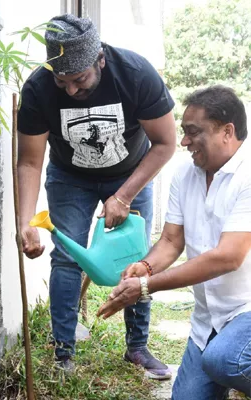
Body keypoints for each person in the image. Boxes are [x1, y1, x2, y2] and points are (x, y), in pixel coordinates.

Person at [17, 13, 177, 378]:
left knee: (137, 259)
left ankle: (137, 347)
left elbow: (166, 144)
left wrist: (124, 195)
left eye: (80, 80)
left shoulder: (135, 75)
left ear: (100, 59)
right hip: (69, 177)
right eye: (62, 81)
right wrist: (25, 221)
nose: (70, 90)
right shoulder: (39, 89)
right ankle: (63, 355)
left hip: (132, 173)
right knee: (68, 255)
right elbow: (28, 161)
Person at [98, 85, 251, 399]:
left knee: (226, 360)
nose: (184, 141)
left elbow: (228, 257)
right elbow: (170, 239)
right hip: (208, 321)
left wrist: (145, 286)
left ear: (227, 131)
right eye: (183, 132)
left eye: (193, 132)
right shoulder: (186, 174)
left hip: (247, 310)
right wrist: (145, 267)